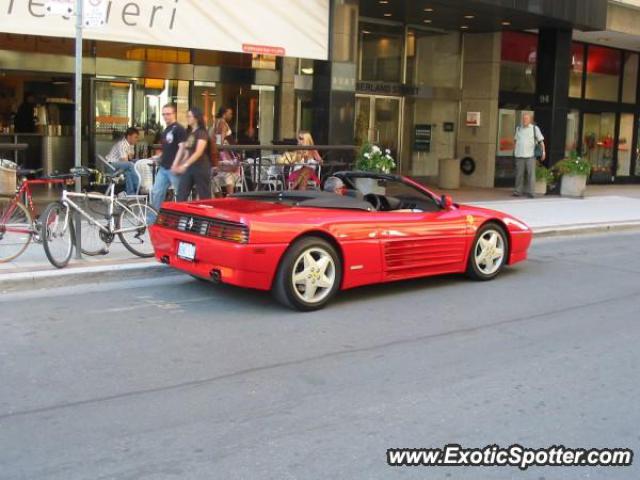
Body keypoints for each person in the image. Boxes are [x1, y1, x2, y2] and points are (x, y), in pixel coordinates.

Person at [150, 104, 186, 213]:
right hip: (164, 167)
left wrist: (176, 164)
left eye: (168, 114)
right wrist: (159, 157)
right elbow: (168, 149)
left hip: (174, 168)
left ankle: (183, 219)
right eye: (164, 114)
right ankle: (152, 220)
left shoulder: (179, 129)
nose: (166, 117)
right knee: (156, 192)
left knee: (180, 195)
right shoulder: (166, 130)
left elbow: (182, 147)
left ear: (174, 114)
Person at [172, 107, 211, 201]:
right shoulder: (189, 132)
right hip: (190, 168)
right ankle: (182, 215)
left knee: (204, 195)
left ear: (196, 118)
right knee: (181, 194)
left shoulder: (202, 133)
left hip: (200, 167)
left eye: (189, 116)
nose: (187, 118)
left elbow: (198, 152)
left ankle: (205, 215)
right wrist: (180, 164)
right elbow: (187, 151)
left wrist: (184, 165)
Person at [513, 113, 545, 198]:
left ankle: (531, 193)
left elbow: (541, 141)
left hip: (530, 155)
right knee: (519, 174)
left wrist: (543, 152)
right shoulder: (518, 128)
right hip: (519, 155)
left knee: (531, 175)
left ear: (530, 120)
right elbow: (516, 140)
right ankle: (517, 191)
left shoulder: (535, 128)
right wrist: (515, 151)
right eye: (523, 119)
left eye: (526, 119)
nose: (524, 120)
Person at [210, 107, 240, 197]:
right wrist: (222, 144)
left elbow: (214, 137)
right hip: (226, 154)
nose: (231, 115)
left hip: (219, 154)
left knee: (216, 178)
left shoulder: (216, 122)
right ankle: (230, 198)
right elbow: (220, 139)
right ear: (224, 114)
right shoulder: (223, 123)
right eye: (229, 113)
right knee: (228, 176)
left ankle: (220, 198)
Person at [105, 127, 140, 195]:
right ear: (129, 137)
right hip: (111, 166)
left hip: (119, 166)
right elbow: (126, 161)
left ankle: (131, 194)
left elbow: (130, 157)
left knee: (129, 172)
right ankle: (138, 185)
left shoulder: (130, 145)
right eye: (135, 137)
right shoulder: (122, 144)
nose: (137, 139)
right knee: (130, 165)